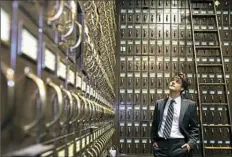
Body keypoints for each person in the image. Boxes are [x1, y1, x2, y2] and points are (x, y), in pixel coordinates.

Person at [150, 72, 199, 157]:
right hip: (160, 147)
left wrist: (190, 144)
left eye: (177, 82)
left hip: (180, 146)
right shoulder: (159, 103)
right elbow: (154, 124)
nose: (173, 82)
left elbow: (194, 128)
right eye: (172, 80)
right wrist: (154, 142)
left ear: (182, 88)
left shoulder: (190, 105)